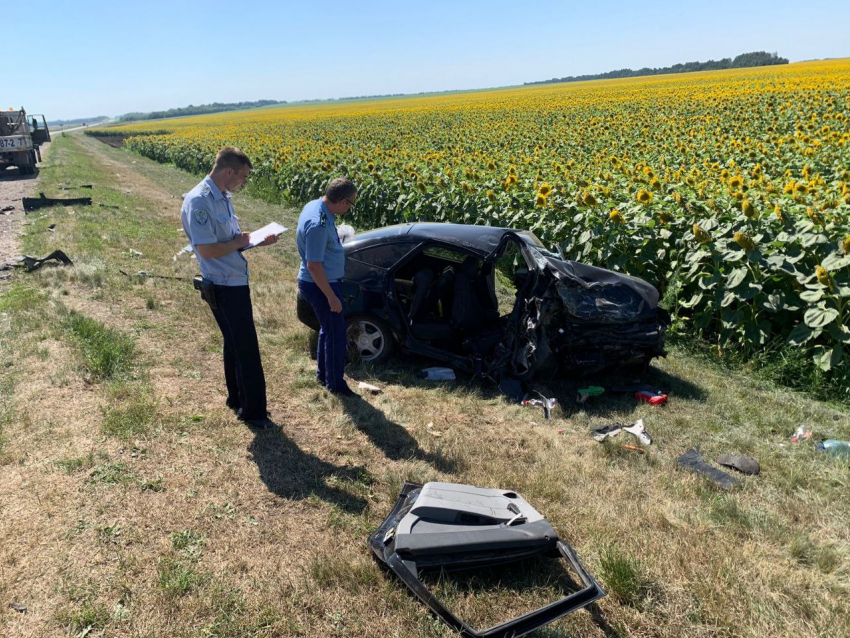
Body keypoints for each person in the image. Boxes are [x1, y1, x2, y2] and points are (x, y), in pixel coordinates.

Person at [181, 147, 278, 428]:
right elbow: (207, 249)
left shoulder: (222, 196)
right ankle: (254, 412)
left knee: (234, 342)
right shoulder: (200, 201)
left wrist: (253, 241)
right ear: (229, 171)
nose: (244, 182)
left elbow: (229, 241)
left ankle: (237, 399)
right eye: (243, 177)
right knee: (246, 347)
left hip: (232, 279)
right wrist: (238, 242)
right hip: (224, 285)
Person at [296, 178, 357, 396]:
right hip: (320, 284)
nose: (349, 208)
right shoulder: (318, 224)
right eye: (351, 204)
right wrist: (331, 297)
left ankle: (324, 375)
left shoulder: (315, 206)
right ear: (343, 201)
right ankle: (336, 384)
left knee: (328, 328)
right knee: (337, 334)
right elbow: (314, 265)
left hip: (321, 281)